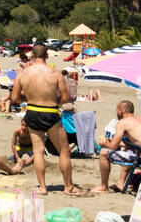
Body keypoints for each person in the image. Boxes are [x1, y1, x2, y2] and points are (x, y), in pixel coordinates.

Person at [9, 44, 86, 195]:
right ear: (47, 56)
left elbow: (15, 98)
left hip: (32, 112)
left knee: (38, 152)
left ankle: (43, 188)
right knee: (64, 151)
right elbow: (65, 98)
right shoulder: (55, 73)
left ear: (32, 55)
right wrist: (53, 101)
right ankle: (68, 186)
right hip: (50, 112)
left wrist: (28, 99)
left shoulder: (23, 73)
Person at [94, 100, 141, 193]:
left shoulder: (123, 122)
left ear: (121, 111)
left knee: (103, 152)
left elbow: (113, 147)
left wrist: (104, 144)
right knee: (129, 150)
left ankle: (103, 187)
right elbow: (137, 142)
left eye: (116, 110)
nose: (116, 113)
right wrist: (115, 143)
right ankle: (120, 183)